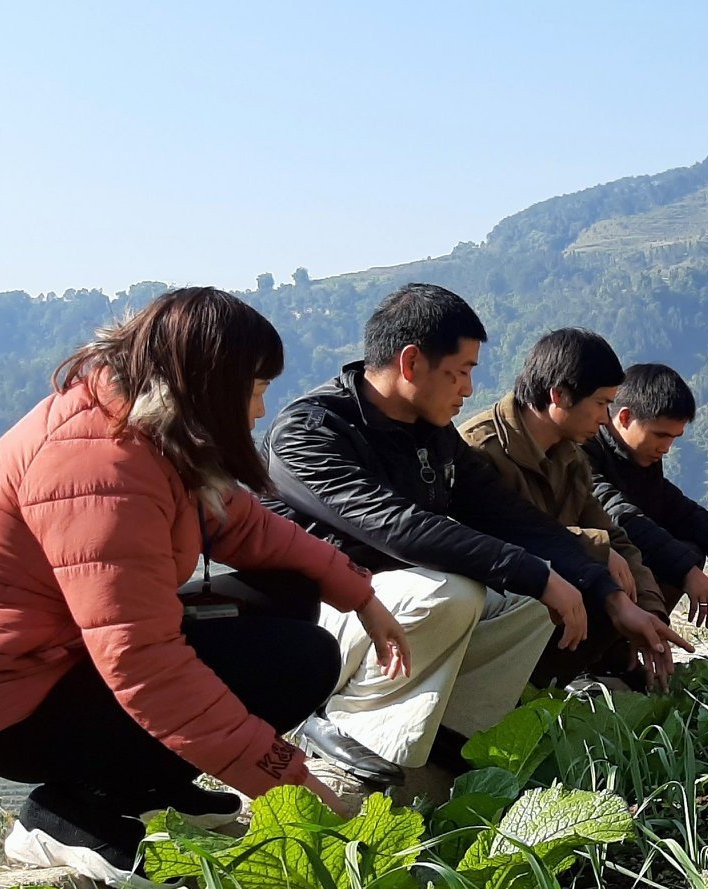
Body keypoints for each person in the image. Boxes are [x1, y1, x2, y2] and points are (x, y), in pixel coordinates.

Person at [0, 287, 411, 884]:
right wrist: (291, 781)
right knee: (298, 660)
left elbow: (245, 526)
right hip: (14, 705)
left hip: (60, 657)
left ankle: (155, 786)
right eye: (254, 392)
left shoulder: (151, 426)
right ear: (210, 386)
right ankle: (69, 812)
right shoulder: (100, 469)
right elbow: (143, 663)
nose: (258, 412)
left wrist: (361, 594)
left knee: (289, 593)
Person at [264, 284, 622, 807]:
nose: (469, 389)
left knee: (531, 602)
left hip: (392, 615)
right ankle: (352, 732)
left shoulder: (431, 434)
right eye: (460, 371)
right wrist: (534, 571)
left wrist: (597, 587)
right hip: (314, 622)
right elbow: (396, 526)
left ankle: (453, 739)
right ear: (411, 363)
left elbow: (507, 514)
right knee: (455, 593)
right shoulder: (311, 431)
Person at [461, 329, 692, 689]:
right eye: (601, 404)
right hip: (500, 600)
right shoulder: (481, 451)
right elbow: (501, 535)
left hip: (563, 583)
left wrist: (649, 613)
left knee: (634, 571)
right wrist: (598, 548)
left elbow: (614, 534)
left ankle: (578, 679)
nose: (605, 419)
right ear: (559, 395)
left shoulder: (569, 456)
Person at [585, 363, 708, 626]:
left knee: (690, 550)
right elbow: (619, 515)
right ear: (624, 417)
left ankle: (629, 647)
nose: (666, 448)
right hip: (579, 568)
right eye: (660, 435)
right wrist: (686, 572)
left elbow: (680, 511)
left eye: (673, 438)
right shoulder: (584, 451)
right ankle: (609, 650)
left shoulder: (641, 457)